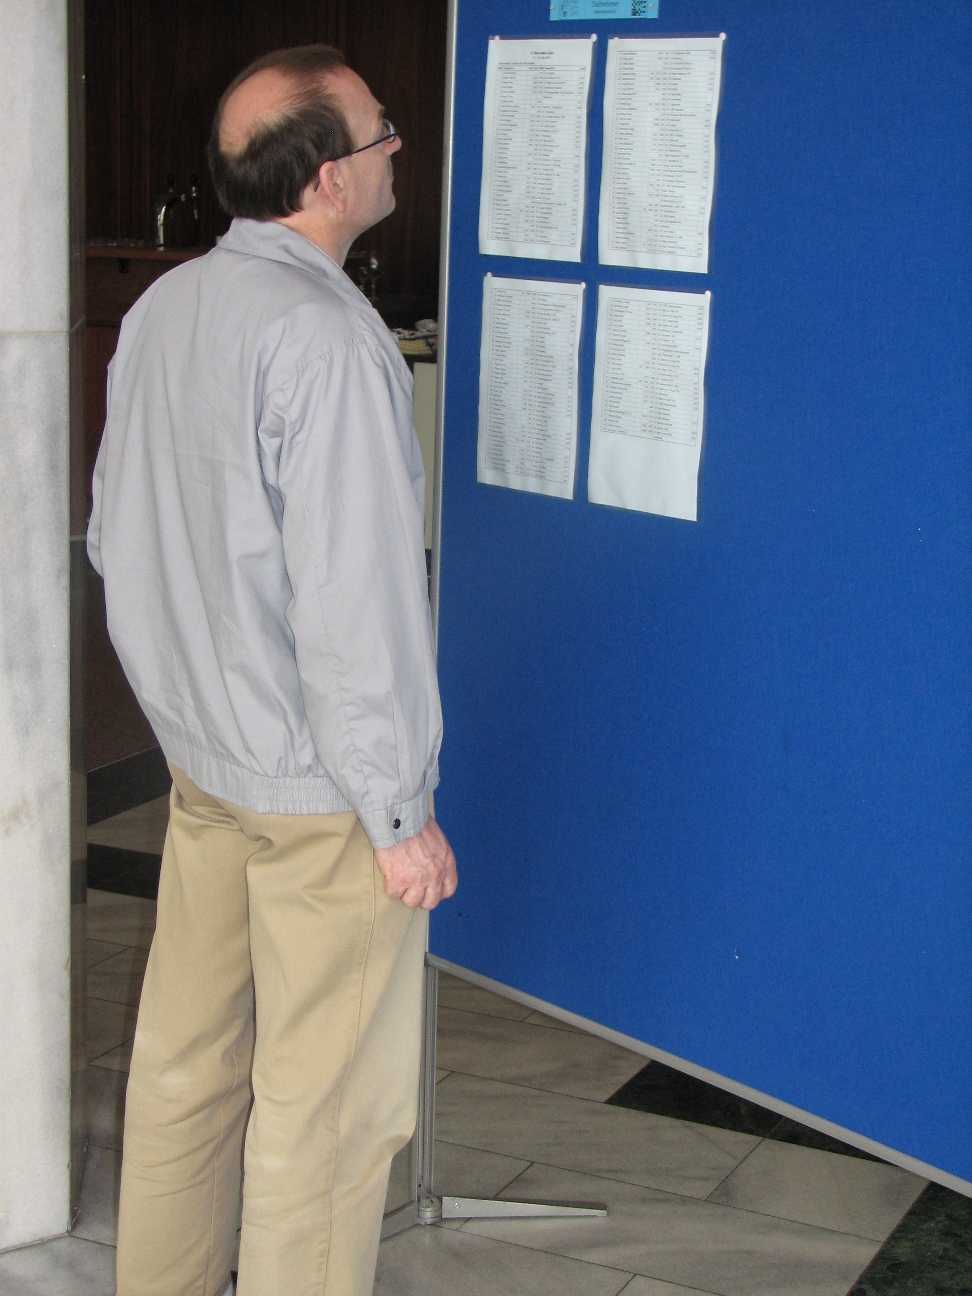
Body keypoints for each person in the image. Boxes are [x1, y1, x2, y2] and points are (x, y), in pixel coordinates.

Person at [87, 44, 457, 1296]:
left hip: (206, 771)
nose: (397, 147)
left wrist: (188, 713)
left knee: (184, 1070)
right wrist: (397, 813)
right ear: (331, 178)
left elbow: (114, 537)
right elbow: (359, 605)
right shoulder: (328, 340)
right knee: (328, 1111)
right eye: (382, 130)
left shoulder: (166, 308)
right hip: (318, 795)